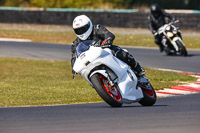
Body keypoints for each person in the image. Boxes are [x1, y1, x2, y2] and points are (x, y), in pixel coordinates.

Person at [71, 15, 145, 77]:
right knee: (85, 73)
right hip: (90, 60)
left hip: (105, 50)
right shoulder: (75, 43)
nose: (81, 32)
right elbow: (74, 57)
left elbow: (109, 34)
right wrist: (74, 67)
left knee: (121, 53)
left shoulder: (97, 28)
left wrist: (107, 40)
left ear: (89, 25)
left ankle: (138, 69)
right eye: (78, 30)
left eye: (82, 29)